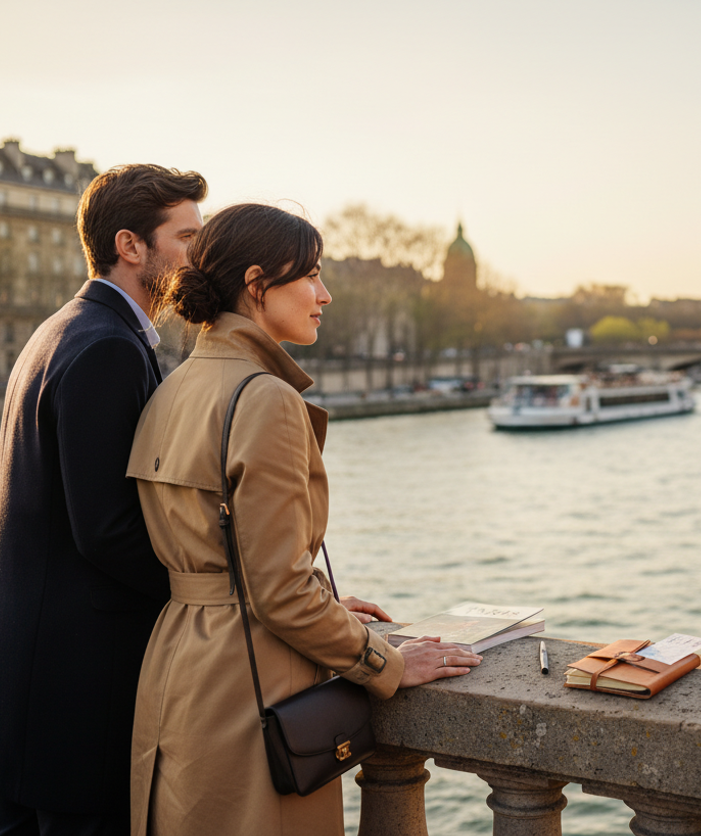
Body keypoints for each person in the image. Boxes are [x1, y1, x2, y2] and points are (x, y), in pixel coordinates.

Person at [124, 203, 481, 836]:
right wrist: (388, 663)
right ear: (257, 285)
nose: (325, 294)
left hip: (177, 666)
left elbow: (217, 550)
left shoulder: (173, 386)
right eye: (310, 276)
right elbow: (277, 593)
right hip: (250, 684)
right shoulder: (265, 399)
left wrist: (329, 603)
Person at [0, 164, 207, 836]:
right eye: (186, 237)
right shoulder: (108, 348)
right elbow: (107, 531)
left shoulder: (60, 329)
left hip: (27, 685)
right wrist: (216, 592)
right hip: (75, 694)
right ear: (131, 245)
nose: (197, 256)